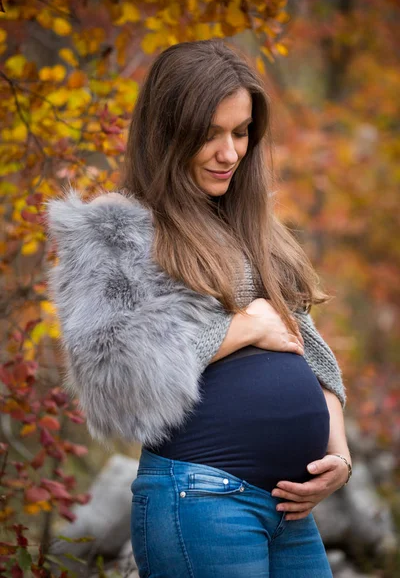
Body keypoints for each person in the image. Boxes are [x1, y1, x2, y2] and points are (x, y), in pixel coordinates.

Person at [45, 39, 352, 577]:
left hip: (290, 513)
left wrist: (340, 457)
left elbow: (311, 350)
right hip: (201, 503)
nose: (229, 153)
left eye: (240, 132)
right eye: (209, 134)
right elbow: (112, 376)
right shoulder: (118, 231)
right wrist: (240, 327)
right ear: (167, 133)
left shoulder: (253, 228)